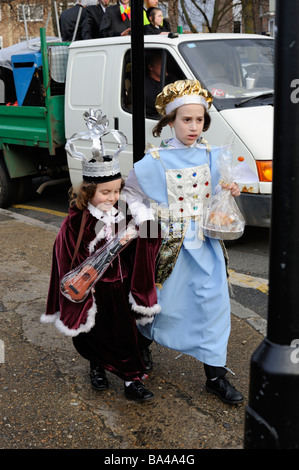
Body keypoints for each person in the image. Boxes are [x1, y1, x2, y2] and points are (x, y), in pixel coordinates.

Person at [122, 79, 244, 405]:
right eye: (185, 120)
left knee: (214, 308)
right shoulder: (155, 160)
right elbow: (131, 195)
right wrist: (149, 228)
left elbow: (225, 193)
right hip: (170, 246)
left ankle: (215, 377)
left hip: (205, 245)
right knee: (160, 308)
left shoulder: (215, 155)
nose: (193, 126)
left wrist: (232, 192)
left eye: (199, 119)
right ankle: (140, 349)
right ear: (170, 121)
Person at [41, 109, 154, 402]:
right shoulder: (76, 223)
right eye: (105, 193)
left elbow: (144, 246)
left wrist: (149, 229)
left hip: (120, 286)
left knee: (125, 336)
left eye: (116, 191)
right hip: (92, 291)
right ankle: (98, 367)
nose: (112, 198)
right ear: (89, 191)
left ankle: (132, 381)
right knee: (94, 335)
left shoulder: (125, 215)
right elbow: (65, 257)